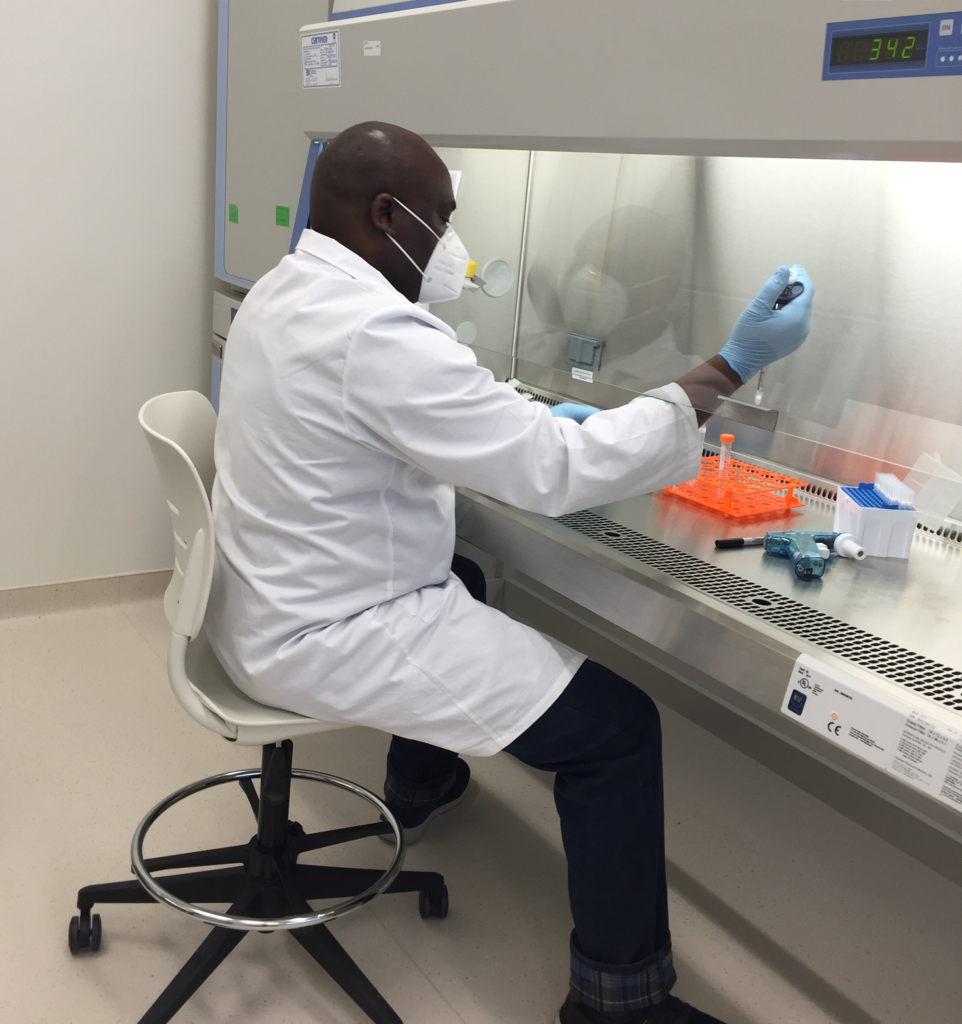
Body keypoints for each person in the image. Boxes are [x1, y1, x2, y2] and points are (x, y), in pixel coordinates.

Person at [204, 121, 814, 1024]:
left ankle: (423, 783)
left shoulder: (286, 286)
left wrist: (526, 415)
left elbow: (418, 417)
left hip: (259, 596)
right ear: (385, 215)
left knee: (463, 570)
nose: (451, 243)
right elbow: (551, 474)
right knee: (616, 730)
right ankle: (618, 1002)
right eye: (440, 219)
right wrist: (725, 369)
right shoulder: (376, 330)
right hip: (323, 631)